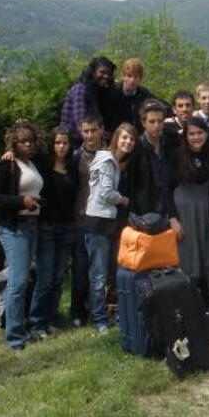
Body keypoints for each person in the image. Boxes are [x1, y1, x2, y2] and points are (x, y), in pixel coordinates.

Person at [0, 120, 45, 350]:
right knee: (18, 281)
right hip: (14, 228)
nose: (28, 145)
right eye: (23, 142)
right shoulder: (6, 165)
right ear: (14, 143)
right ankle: (14, 337)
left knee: (26, 279)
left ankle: (22, 327)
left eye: (31, 141)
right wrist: (22, 201)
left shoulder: (32, 162)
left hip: (32, 226)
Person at [166, 117, 209, 334]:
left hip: (205, 211)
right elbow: (166, 189)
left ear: (206, 134)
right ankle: (186, 308)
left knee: (204, 259)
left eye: (200, 133)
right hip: (184, 213)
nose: (196, 137)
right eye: (191, 133)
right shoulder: (176, 157)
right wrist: (172, 218)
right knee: (187, 259)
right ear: (185, 136)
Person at [82, 123, 136, 335]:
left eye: (131, 139)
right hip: (97, 222)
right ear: (116, 138)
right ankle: (99, 319)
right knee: (99, 275)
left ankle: (109, 315)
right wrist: (122, 200)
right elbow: (105, 193)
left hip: (108, 221)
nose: (128, 142)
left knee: (109, 272)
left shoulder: (114, 161)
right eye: (124, 138)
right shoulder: (106, 160)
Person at [31, 126, 78, 337]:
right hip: (47, 227)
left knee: (58, 277)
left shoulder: (72, 166)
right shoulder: (42, 163)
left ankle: (52, 318)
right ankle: (37, 323)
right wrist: (9, 152)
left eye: (65, 143)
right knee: (45, 277)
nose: (61, 146)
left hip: (68, 226)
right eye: (58, 142)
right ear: (52, 144)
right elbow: (22, 151)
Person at [70, 115, 105, 326]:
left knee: (100, 269)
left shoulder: (109, 154)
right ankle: (77, 311)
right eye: (86, 131)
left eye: (93, 130)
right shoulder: (75, 156)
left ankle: (98, 309)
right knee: (81, 268)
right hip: (82, 218)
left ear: (102, 129)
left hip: (104, 219)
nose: (90, 135)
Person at [60, 57, 116, 145]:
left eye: (109, 74)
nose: (106, 76)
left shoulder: (99, 92)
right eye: (102, 72)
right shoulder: (80, 89)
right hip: (73, 142)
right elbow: (80, 122)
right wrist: (98, 139)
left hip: (89, 140)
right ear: (93, 73)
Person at [111, 58, 165, 134]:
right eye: (129, 76)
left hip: (138, 137)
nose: (132, 80)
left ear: (140, 78)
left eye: (135, 77)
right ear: (123, 76)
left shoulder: (143, 93)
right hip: (117, 137)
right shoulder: (113, 92)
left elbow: (162, 104)